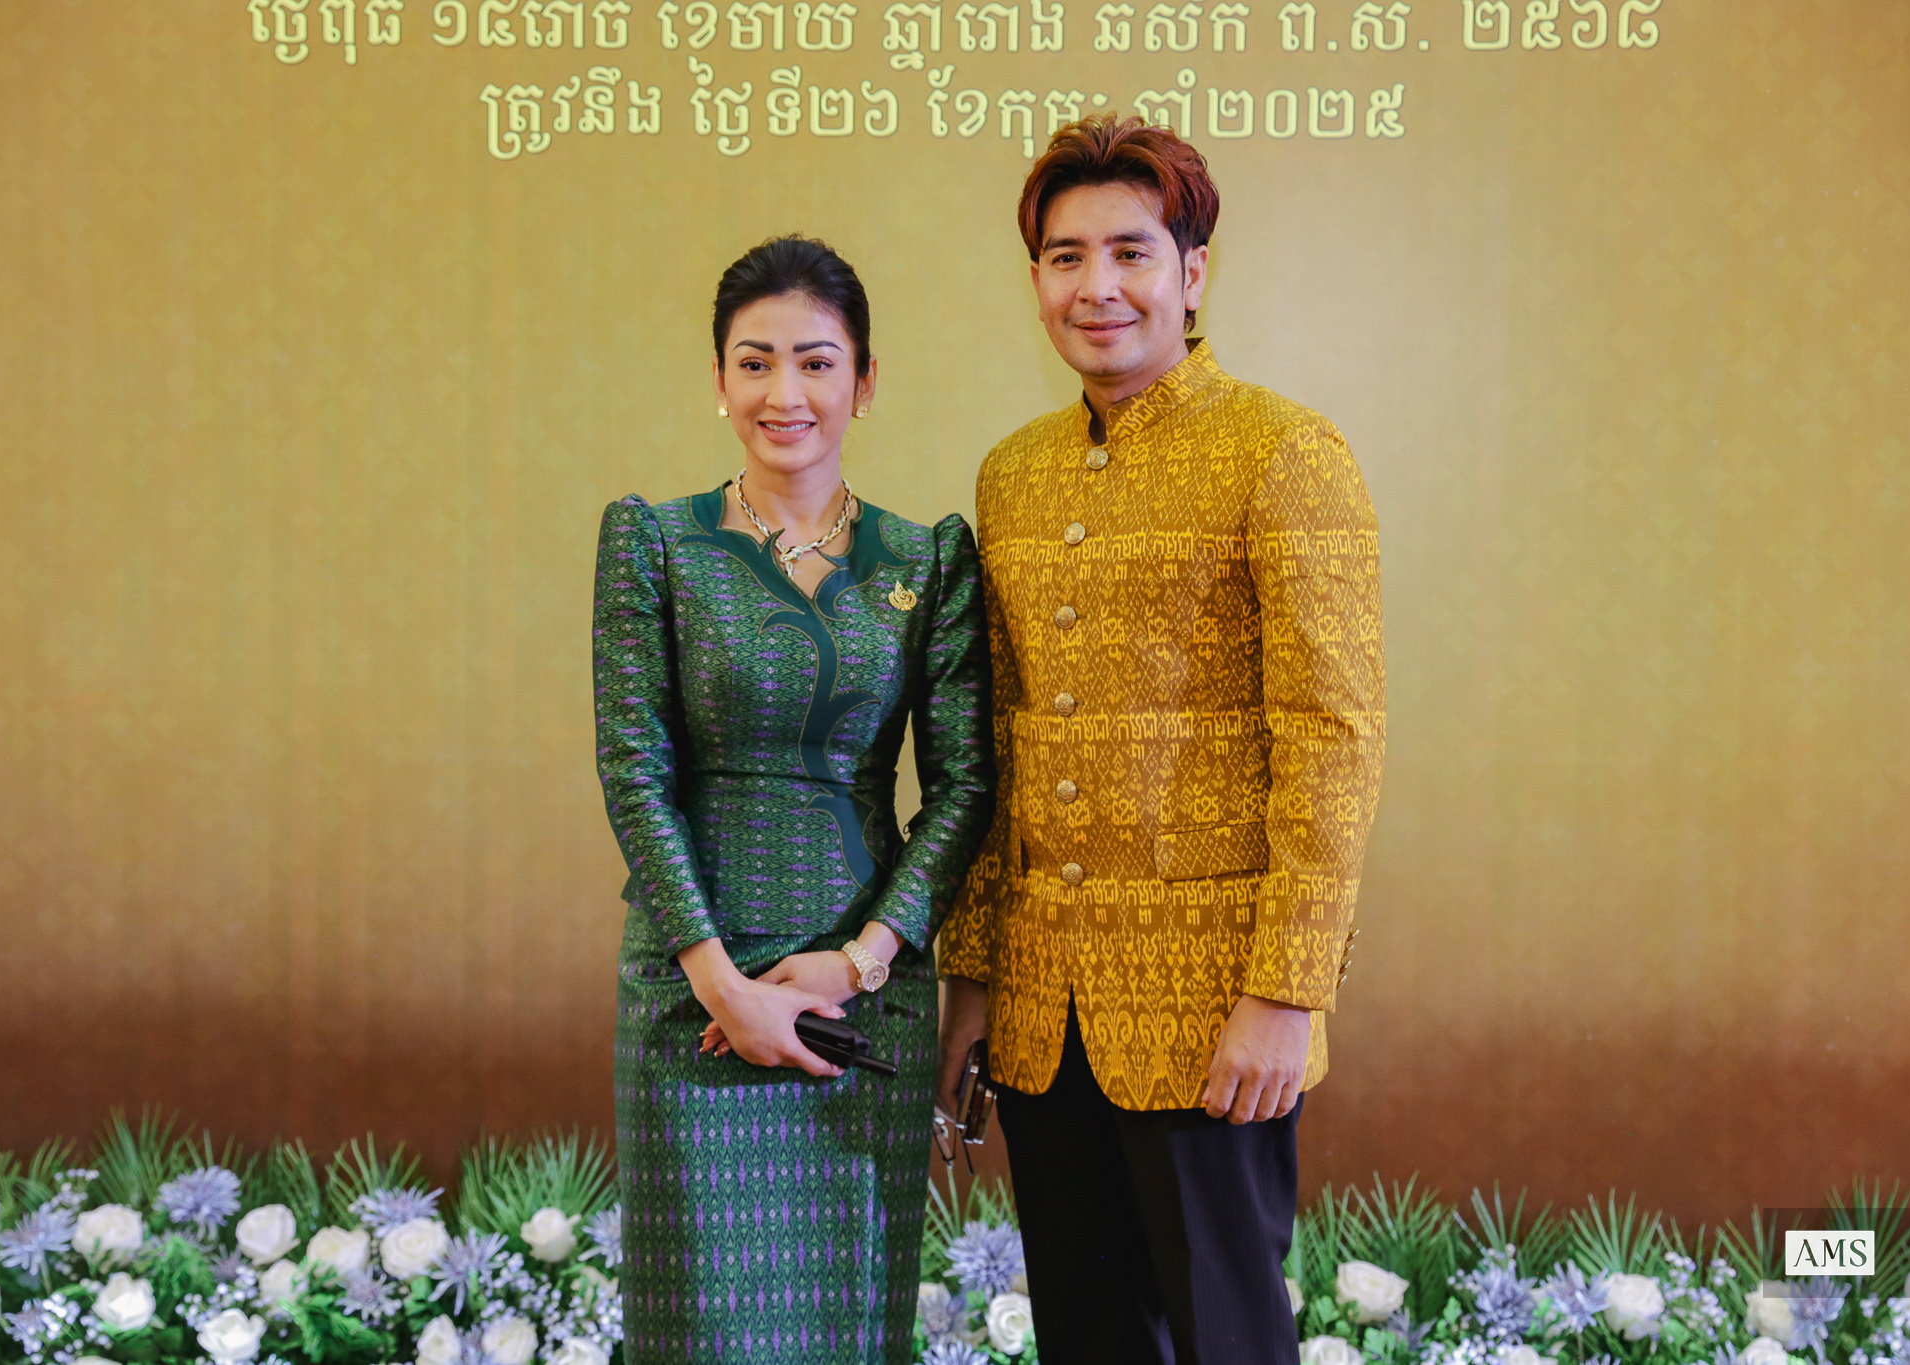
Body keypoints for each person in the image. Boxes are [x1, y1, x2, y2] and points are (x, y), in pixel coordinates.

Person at [935, 116, 1387, 1363]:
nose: (1097, 286)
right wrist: (974, 980)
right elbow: (998, 742)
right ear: (1035, 280)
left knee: (1226, 1339)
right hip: (1045, 1014)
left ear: (1191, 274)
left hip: (1213, 1016)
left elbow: (1333, 737)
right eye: (1063, 257)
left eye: (1129, 252)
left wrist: (1284, 993)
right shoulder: (1011, 475)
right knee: (1086, 1341)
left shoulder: (1282, 450)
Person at [592, 235, 994, 1362]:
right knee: (698, 1330)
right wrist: (722, 986)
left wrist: (862, 959)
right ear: (718, 382)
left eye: (816, 362)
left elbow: (964, 783)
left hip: (860, 1004)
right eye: (754, 361)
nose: (785, 392)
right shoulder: (655, 543)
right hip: (693, 995)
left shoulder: (928, 558)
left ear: (863, 382)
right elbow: (633, 769)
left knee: (846, 1330)